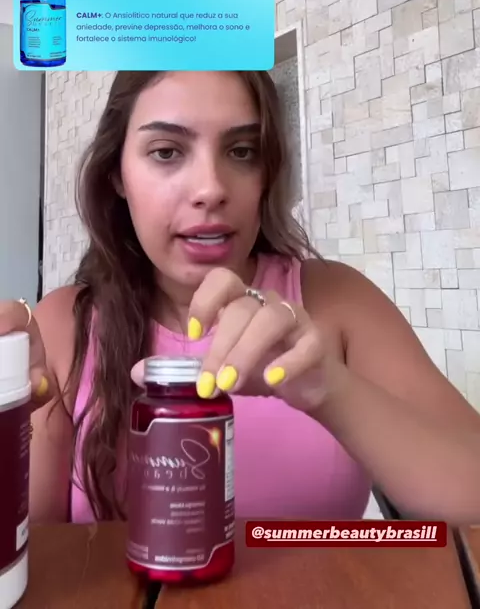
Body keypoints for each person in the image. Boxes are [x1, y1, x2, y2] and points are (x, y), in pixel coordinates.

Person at [2, 70, 480, 526]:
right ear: (117, 175)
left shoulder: (335, 301)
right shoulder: (66, 324)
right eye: (166, 152)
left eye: (242, 151)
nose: (211, 189)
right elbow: (32, 548)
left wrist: (328, 388)